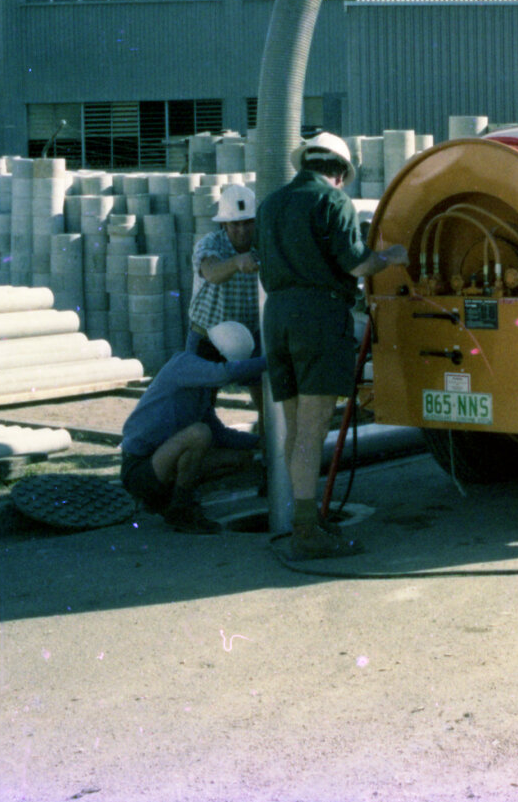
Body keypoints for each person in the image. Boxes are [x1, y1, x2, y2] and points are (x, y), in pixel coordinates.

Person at [257, 132, 408, 559]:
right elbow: (357, 263)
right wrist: (391, 256)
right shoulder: (333, 201)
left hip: (277, 317)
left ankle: (303, 514)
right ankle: (306, 530)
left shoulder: (270, 204)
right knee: (313, 427)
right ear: (339, 173)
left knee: (294, 427)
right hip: (317, 317)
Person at [118, 320, 266, 534]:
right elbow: (226, 373)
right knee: (199, 434)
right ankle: (181, 509)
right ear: (218, 354)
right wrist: (272, 361)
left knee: (239, 457)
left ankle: (169, 499)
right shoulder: (183, 365)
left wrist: (259, 442)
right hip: (139, 470)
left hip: (162, 462)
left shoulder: (201, 391)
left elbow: (219, 433)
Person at [187, 183, 261, 358]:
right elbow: (211, 272)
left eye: (248, 223)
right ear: (224, 225)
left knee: (254, 384)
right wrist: (236, 262)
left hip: (249, 338)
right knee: (200, 385)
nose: (242, 231)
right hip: (207, 337)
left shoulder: (262, 244)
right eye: (235, 224)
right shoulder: (210, 243)